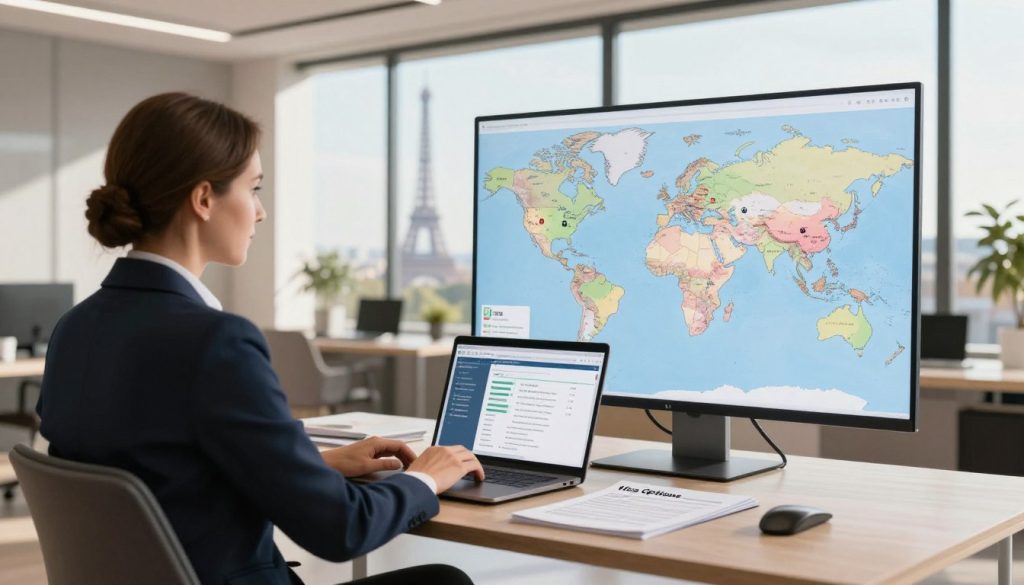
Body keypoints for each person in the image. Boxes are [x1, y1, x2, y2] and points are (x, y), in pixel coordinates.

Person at [36, 92, 483, 585]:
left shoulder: (74, 328)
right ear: (204, 199)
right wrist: (427, 477)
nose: (261, 212)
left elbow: (164, 469)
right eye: (254, 189)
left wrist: (315, 464)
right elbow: (340, 530)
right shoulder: (215, 341)